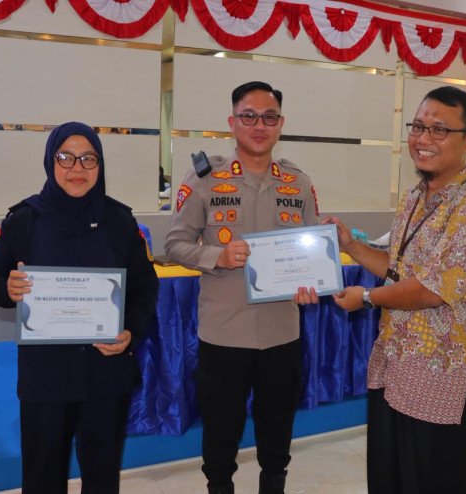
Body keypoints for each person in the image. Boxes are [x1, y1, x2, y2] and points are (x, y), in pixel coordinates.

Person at [297, 86, 466, 494]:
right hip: (394, 364)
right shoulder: (415, 196)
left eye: (439, 130)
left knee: (433, 482)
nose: (423, 139)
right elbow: (397, 269)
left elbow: (431, 289)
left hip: (439, 375)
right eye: (418, 127)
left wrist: (366, 298)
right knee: (389, 478)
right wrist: (350, 245)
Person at [0, 121, 159, 494]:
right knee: (42, 477)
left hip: (106, 373)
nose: (78, 168)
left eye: (89, 158)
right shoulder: (23, 220)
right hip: (46, 375)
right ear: (50, 161)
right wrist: (8, 287)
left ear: (100, 164)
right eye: (66, 157)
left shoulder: (120, 221)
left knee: (102, 476)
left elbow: (145, 289)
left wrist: (130, 333)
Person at [164, 81, 320, 494]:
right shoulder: (205, 179)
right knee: (221, 430)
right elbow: (174, 244)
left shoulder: (298, 183)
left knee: (278, 427)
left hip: (281, 331)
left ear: (281, 124)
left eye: (269, 117)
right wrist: (217, 256)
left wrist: (311, 283)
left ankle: (274, 484)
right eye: (249, 116)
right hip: (224, 332)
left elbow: (310, 254)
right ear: (232, 123)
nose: (259, 126)